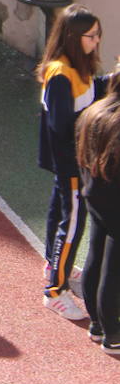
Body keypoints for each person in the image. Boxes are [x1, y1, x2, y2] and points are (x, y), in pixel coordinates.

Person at [36, 3, 104, 320]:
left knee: (58, 212)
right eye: (91, 36)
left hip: (72, 161)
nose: (96, 41)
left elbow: (91, 92)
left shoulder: (78, 67)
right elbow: (63, 124)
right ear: (75, 37)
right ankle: (55, 291)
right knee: (73, 223)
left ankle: (54, 264)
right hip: (71, 162)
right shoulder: (61, 74)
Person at [76, 65, 120, 354]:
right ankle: (113, 336)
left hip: (94, 193)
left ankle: (97, 324)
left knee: (95, 253)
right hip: (115, 199)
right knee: (114, 270)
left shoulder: (95, 111)